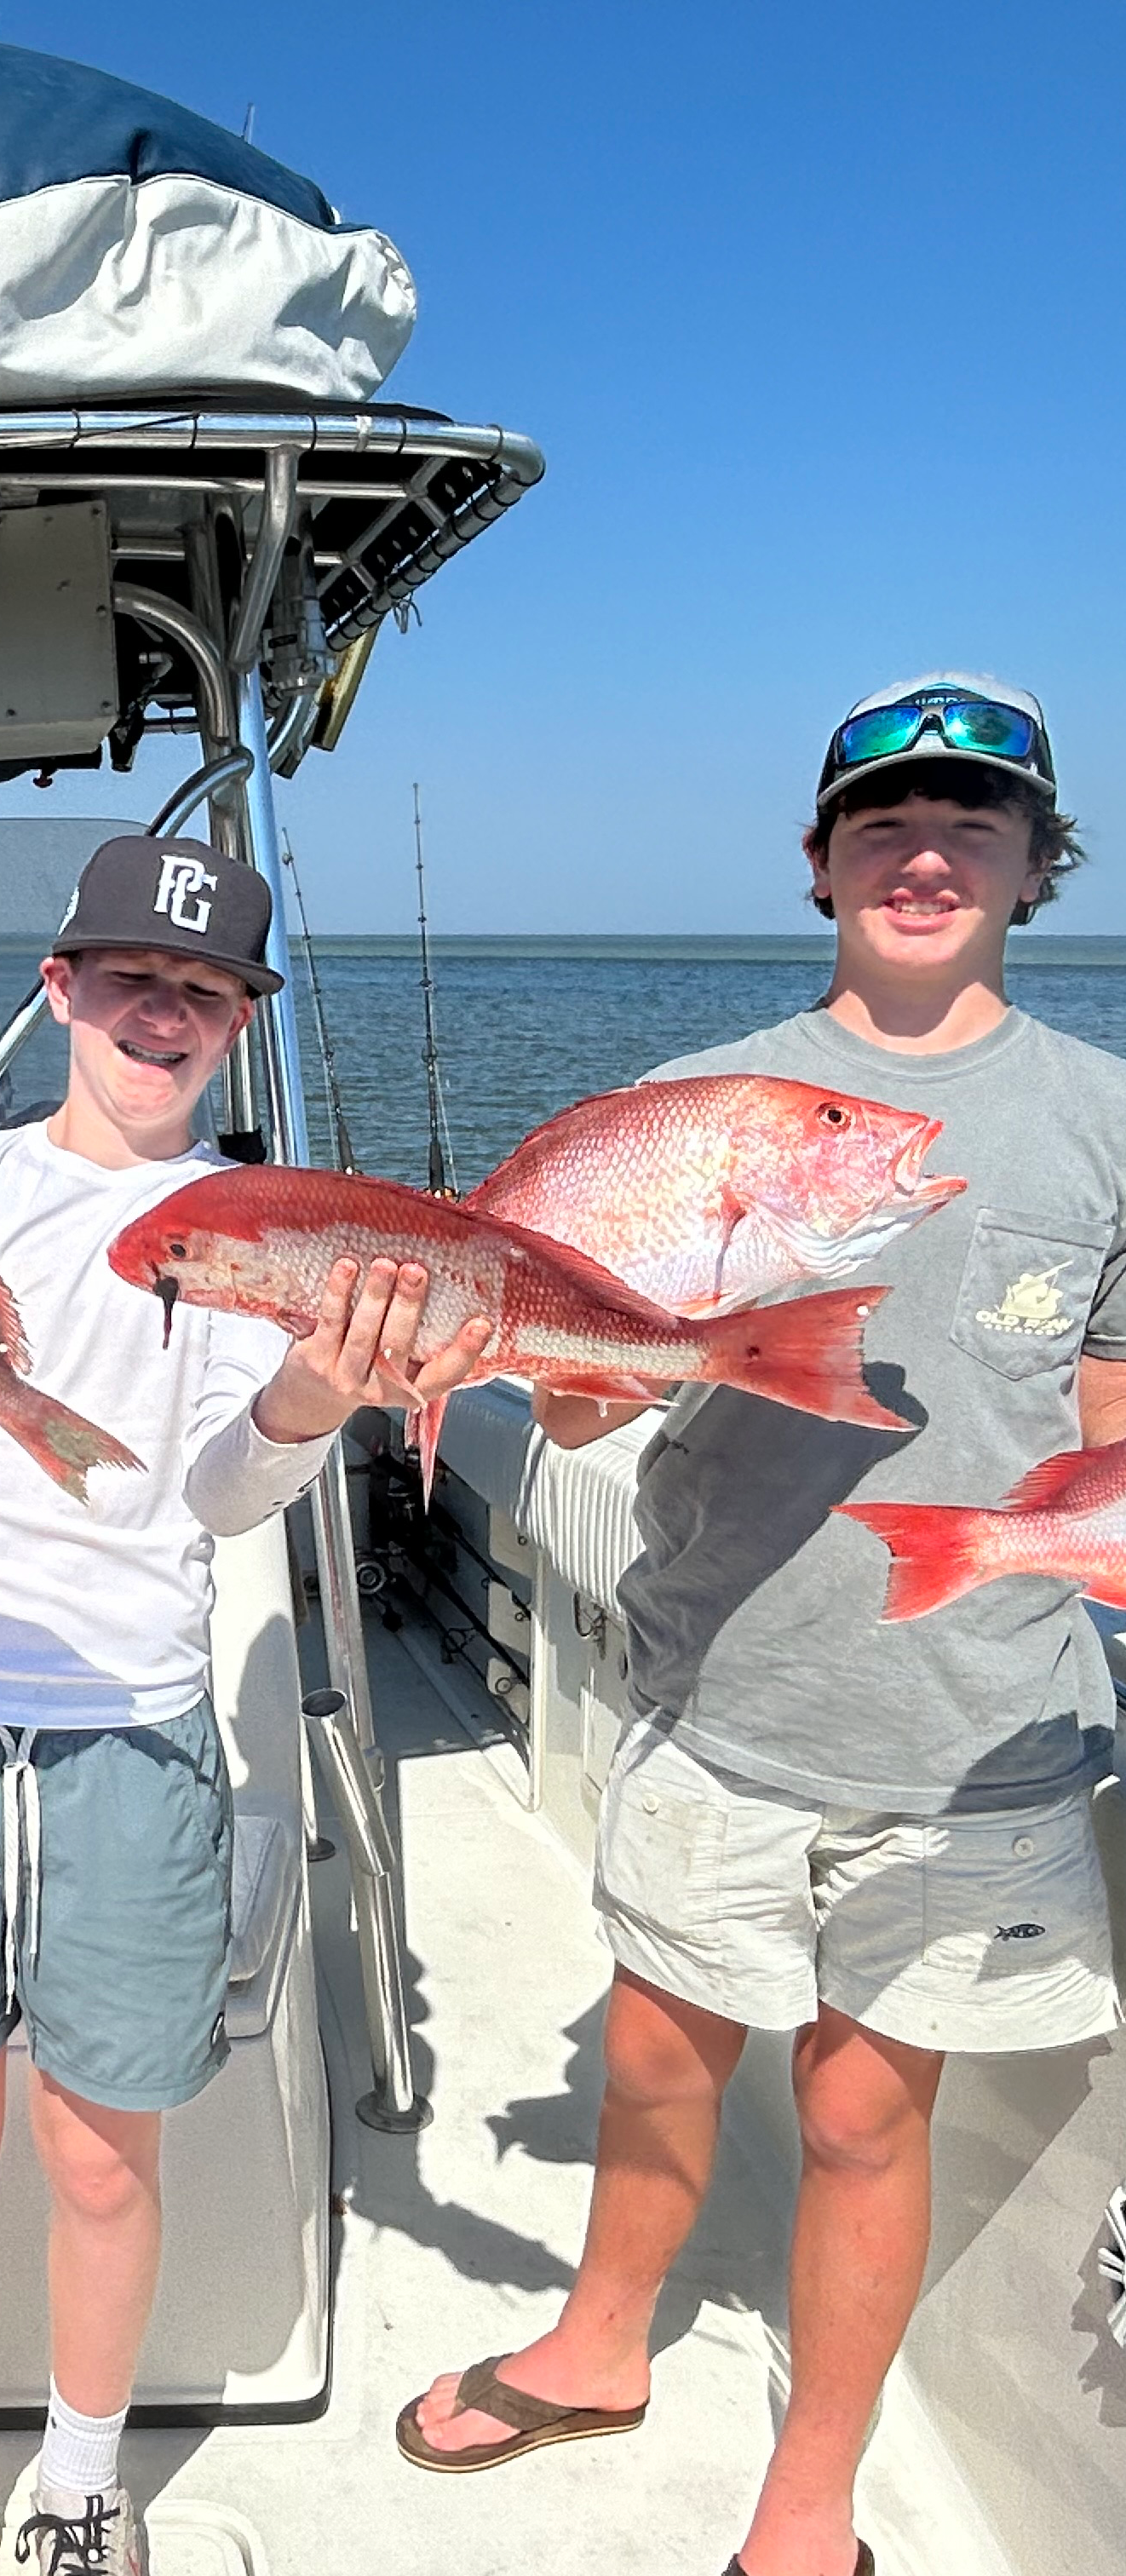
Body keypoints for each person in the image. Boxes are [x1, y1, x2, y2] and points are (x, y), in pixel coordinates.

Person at [399, 676, 1126, 2576]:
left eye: (975, 822)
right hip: (725, 1686)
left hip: (980, 1734)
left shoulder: (1103, 1127)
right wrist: (553, 1371)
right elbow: (576, 1405)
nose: (926, 852)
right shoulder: (685, 1109)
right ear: (817, 867)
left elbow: (1109, 1437)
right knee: (656, 2053)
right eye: (883, 823)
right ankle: (600, 2343)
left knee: (872, 2121)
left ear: (1040, 868)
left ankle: (811, 2501)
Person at [0, 836, 495, 2576]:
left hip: (137, 1737)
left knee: (104, 2161)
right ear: (59, 991)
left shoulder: (279, 1228)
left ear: (241, 1023)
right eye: (130, 980)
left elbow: (224, 1501)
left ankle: (86, 2482)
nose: (161, 1014)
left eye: (202, 991)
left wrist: (319, 1396)